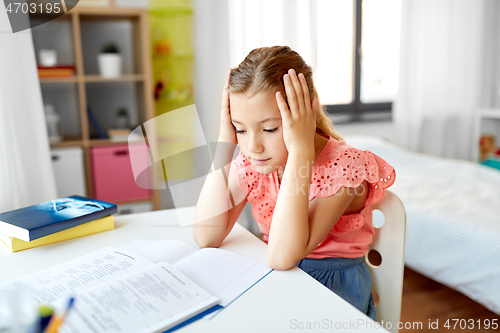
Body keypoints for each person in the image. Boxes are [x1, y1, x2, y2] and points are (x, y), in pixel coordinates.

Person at [193, 46, 395, 320]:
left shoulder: (343, 169)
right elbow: (207, 235)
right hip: (281, 280)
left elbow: (281, 256)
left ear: (306, 114)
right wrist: (224, 143)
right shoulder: (259, 163)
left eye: (270, 129)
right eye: (240, 128)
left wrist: (301, 151)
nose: (252, 146)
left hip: (329, 291)